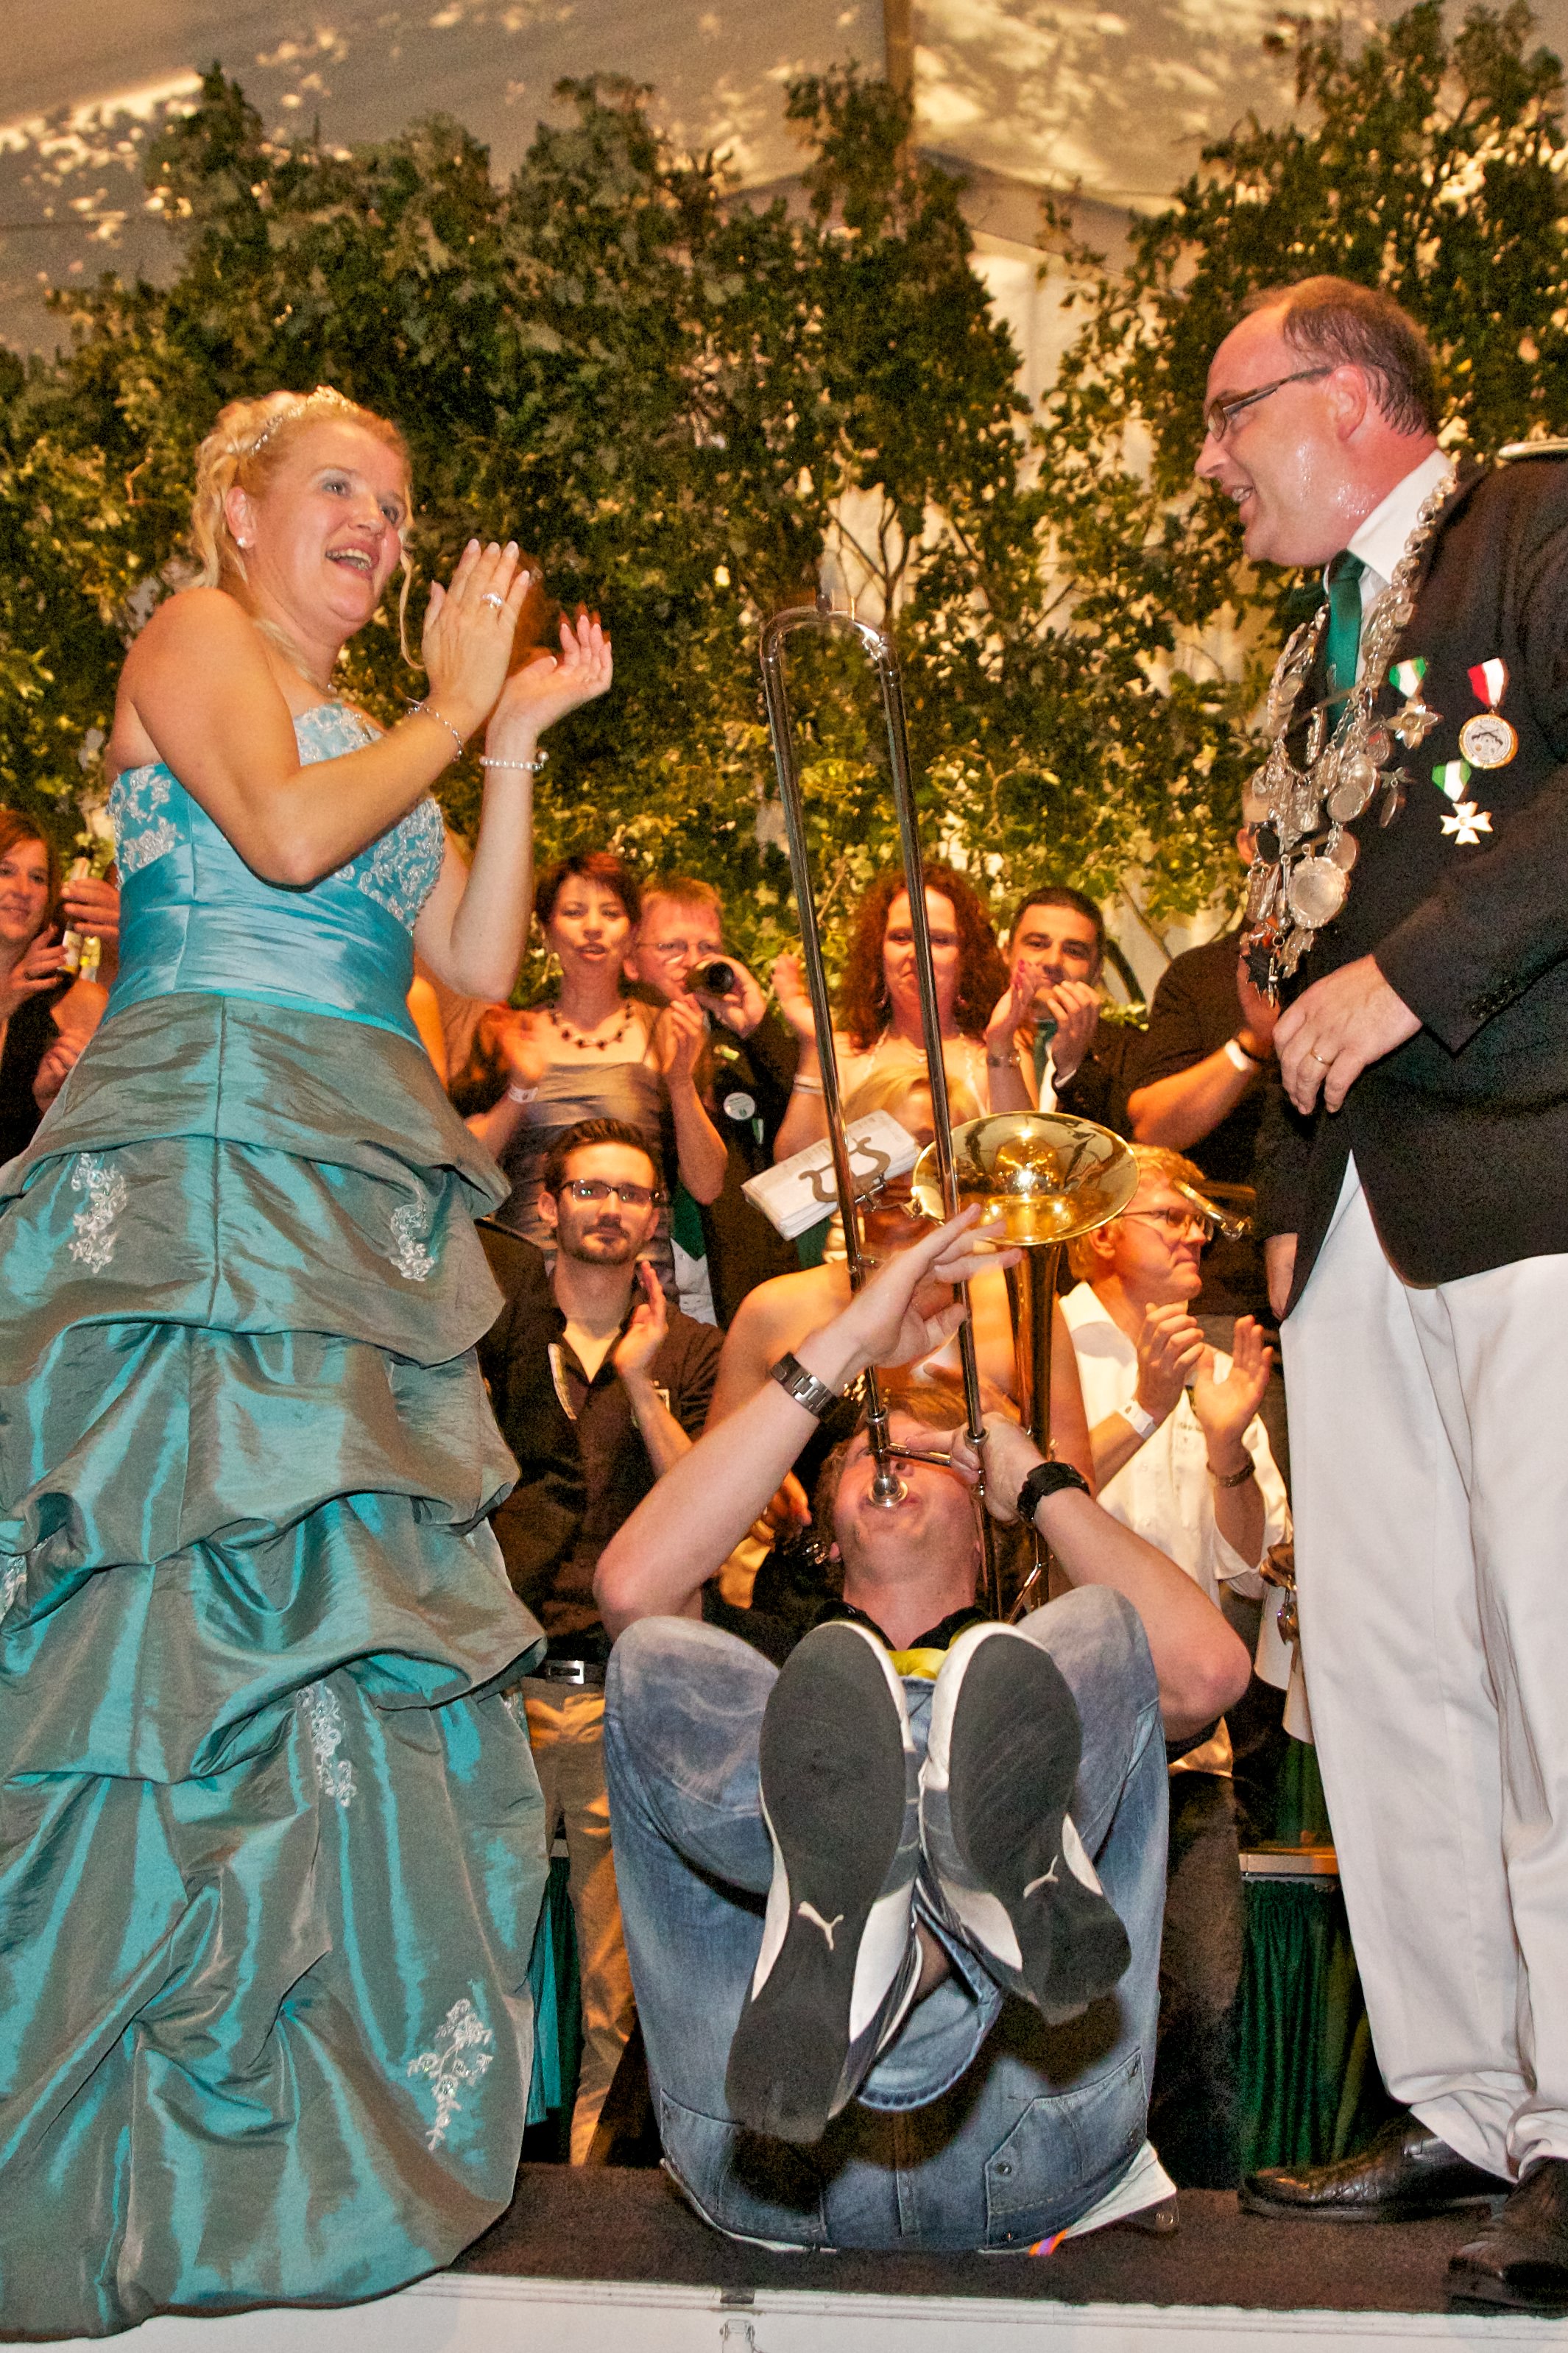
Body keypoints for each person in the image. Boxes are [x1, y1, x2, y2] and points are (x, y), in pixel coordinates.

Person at [0, 383, 612, 2335]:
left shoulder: (388, 731)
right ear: (243, 511)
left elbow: (481, 963)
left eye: (398, 501)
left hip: (349, 1188)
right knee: (173, 1609)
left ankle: (301, 2138)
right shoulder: (197, 635)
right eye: (341, 485)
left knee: (336, 1631)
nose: (378, 520)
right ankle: (115, 2120)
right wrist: (449, 709)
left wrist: (502, 743)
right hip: (210, 1163)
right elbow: (272, 836)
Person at [1196, 275, 1568, 2310]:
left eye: (1226, 414)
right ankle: (1463, 2095)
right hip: (1349, 1214)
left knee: (1554, 1654)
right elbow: (1289, 948)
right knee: (1390, 1668)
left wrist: (1412, 980)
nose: (1209, 461)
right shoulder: (1300, 660)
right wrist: (1281, 1199)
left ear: (1344, 398)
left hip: (1534, 1166)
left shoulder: (1533, 521)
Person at [593, 1208, 1250, 2249]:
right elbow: (631, 1590)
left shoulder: (1048, 1671)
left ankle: (906, 1915)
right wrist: (850, 1341)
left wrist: (1034, 1478)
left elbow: (1210, 1670)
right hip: (778, 2139)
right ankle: (900, 1906)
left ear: (985, 1508)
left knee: (1089, 1632)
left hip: (1024, 2143)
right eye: (864, 1451)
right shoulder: (767, 1669)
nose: (891, 1456)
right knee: (657, 1658)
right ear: (822, 1519)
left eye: (928, 1450)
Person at [477, 1118, 721, 2161]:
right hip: (496, 1689)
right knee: (475, 1952)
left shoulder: (695, 1352)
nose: (610, 1209)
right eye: (590, 1189)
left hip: (620, 1694)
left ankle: (590, 2195)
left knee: (616, 1990)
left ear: (657, 1218)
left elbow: (712, 1508)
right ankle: (466, 2171)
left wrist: (640, 1382)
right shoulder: (488, 1332)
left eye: (632, 1193)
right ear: (547, 1205)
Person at [1063, 1144, 1290, 2187]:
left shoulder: (1215, 1366)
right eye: (1169, 1214)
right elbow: (1022, 1502)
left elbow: (1250, 1562)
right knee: (1064, 2005)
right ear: (1100, 1231)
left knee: (1203, 2007)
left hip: (1189, 1745)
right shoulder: (1048, 1339)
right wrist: (1146, 1406)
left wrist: (1229, 1447)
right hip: (1061, 1735)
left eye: (1201, 1218)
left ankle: (1197, 2245)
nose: (1195, 1232)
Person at [464, 851, 725, 1298]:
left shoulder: (667, 1030)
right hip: (526, 1284)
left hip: (637, 1283)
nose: (592, 927)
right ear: (546, 931)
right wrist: (520, 1090)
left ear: (633, 933)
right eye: (573, 912)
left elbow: (707, 1185)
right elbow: (465, 1171)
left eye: (610, 913)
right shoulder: (509, 1032)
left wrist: (680, 1082)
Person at [622, 872, 798, 1322]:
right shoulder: (616, 1042)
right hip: (648, 1268)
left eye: (707, 948)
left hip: (740, 1279)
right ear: (630, 961)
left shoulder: (739, 1043)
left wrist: (757, 1028)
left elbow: (802, 1131)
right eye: (672, 947)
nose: (692, 962)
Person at [771, 861, 1033, 1164]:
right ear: (878, 951)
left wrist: (1000, 1043)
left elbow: (1022, 1162)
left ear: (967, 956)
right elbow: (795, 1171)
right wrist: (814, 1047)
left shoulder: (997, 1053)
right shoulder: (840, 1053)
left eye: (939, 940)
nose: (918, 952)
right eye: (901, 937)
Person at [0, 811, 109, 1163]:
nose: (22, 891)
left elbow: (103, 1144)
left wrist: (52, 1107)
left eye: (37, 878)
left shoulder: (82, 1004)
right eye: (6, 871)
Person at [1006, 885, 1137, 1131]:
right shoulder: (968, 1037)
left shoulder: (1129, 1051)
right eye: (1037, 944)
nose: (1053, 961)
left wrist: (1073, 1070)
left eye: (1073, 951)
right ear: (1007, 954)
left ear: (1096, 971)